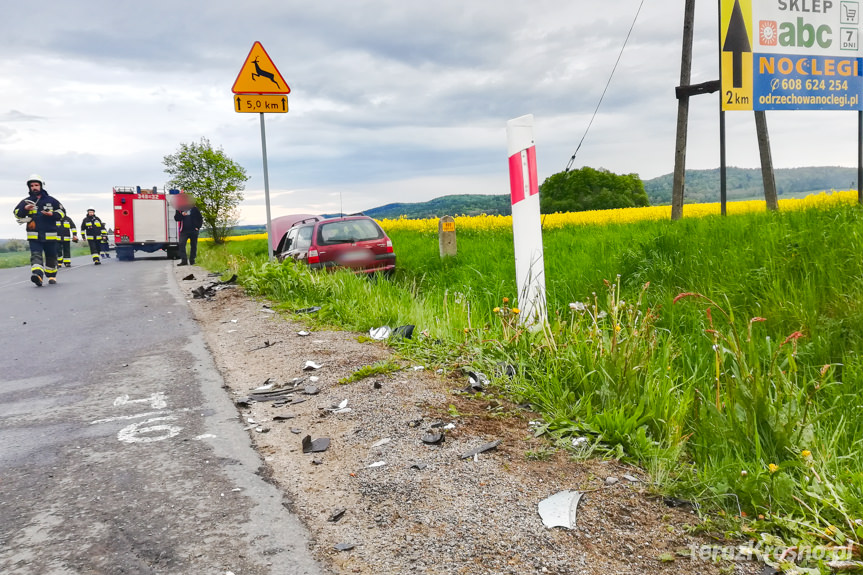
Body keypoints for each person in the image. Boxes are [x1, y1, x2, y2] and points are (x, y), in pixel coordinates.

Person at [12, 175, 65, 286]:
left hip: (50, 234)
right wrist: (25, 209)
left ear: (41, 186)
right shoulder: (26, 201)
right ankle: (38, 276)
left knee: (51, 256)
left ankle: (51, 276)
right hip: (34, 235)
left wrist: (52, 214)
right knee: (36, 255)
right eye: (32, 186)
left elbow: (62, 212)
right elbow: (16, 213)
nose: (34, 187)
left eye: (36, 185)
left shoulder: (52, 201)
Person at [174, 194, 203, 266]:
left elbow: (200, 218)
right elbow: (176, 218)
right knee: (181, 244)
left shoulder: (194, 209)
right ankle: (184, 260)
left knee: (193, 245)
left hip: (193, 230)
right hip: (184, 230)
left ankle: (192, 260)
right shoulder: (179, 209)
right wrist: (182, 215)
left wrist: (198, 227)